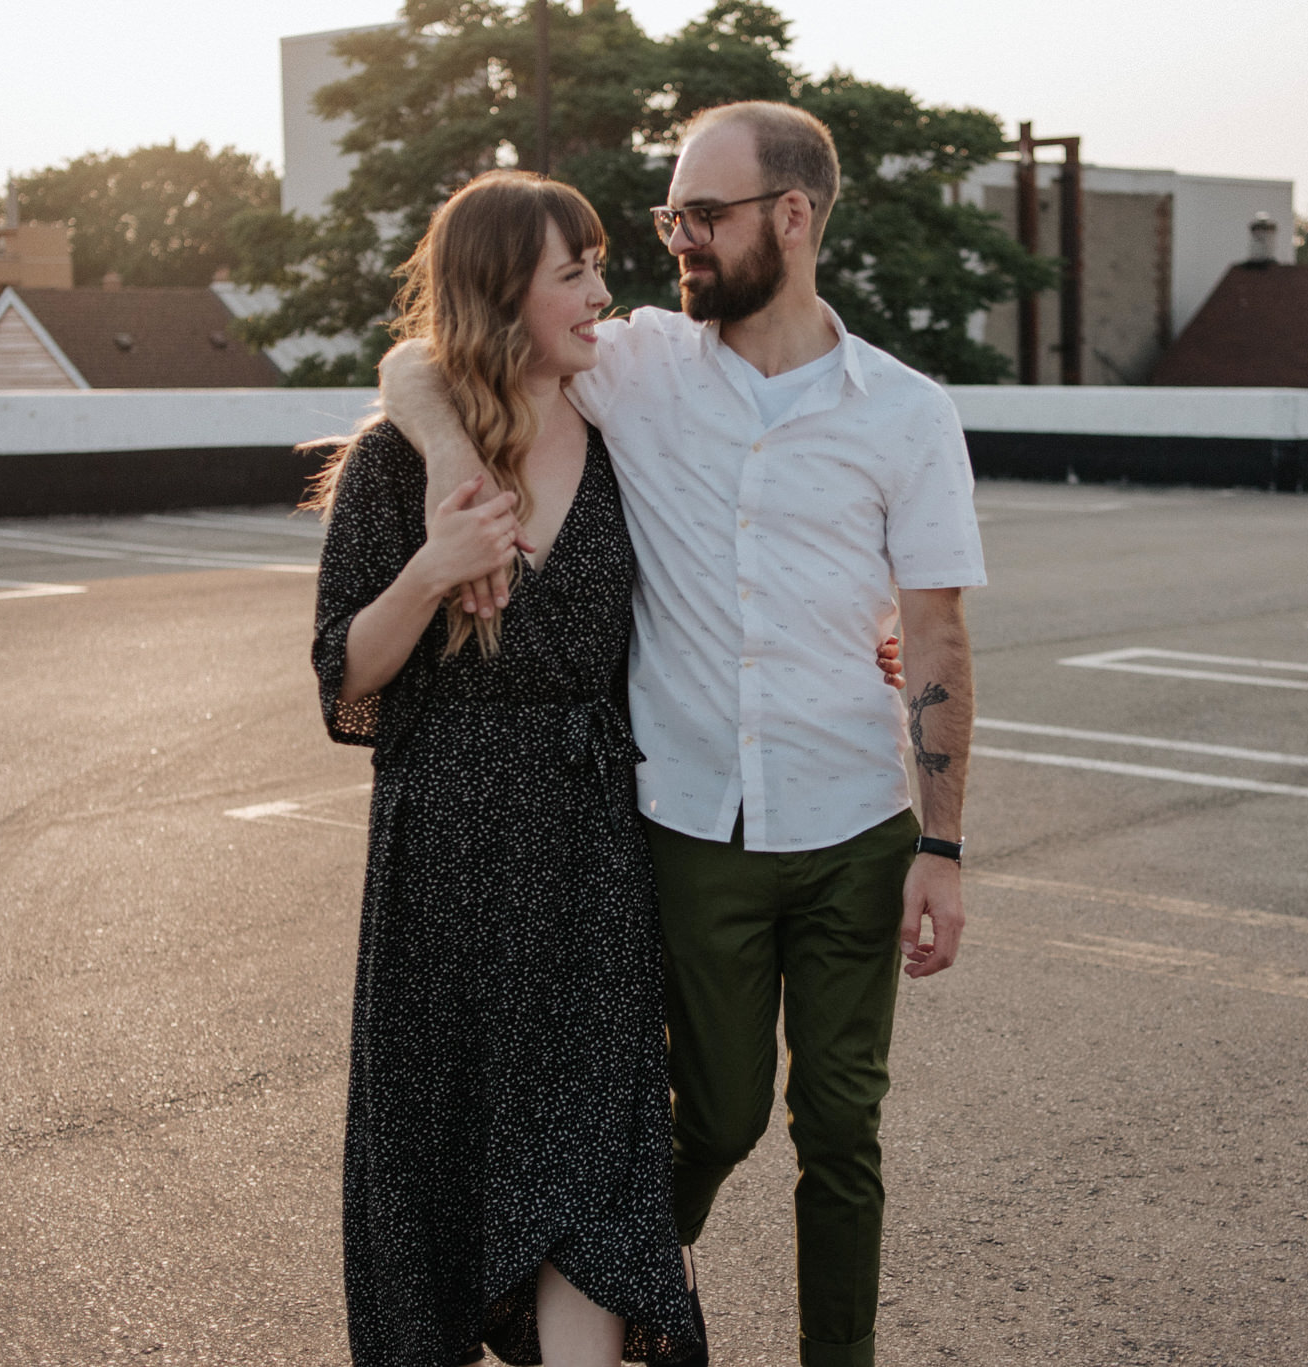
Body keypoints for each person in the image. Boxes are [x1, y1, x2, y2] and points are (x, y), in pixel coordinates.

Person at [378, 101, 985, 1367]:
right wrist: (444, 459)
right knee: (706, 1120)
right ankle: (618, 1287)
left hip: (854, 824)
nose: (677, 244)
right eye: (670, 218)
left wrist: (943, 845)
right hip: (690, 822)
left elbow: (931, 636)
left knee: (841, 1128)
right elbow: (426, 358)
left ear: (793, 217)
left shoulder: (907, 412)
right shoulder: (638, 364)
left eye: (701, 217)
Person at [310, 170, 703, 1367]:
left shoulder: (627, 424)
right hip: (444, 858)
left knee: (587, 1170)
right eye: (570, 271)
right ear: (500, 295)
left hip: (592, 849)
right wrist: (432, 568)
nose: (601, 291)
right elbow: (344, 680)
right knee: (438, 1159)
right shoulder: (397, 461)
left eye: (597, 262)